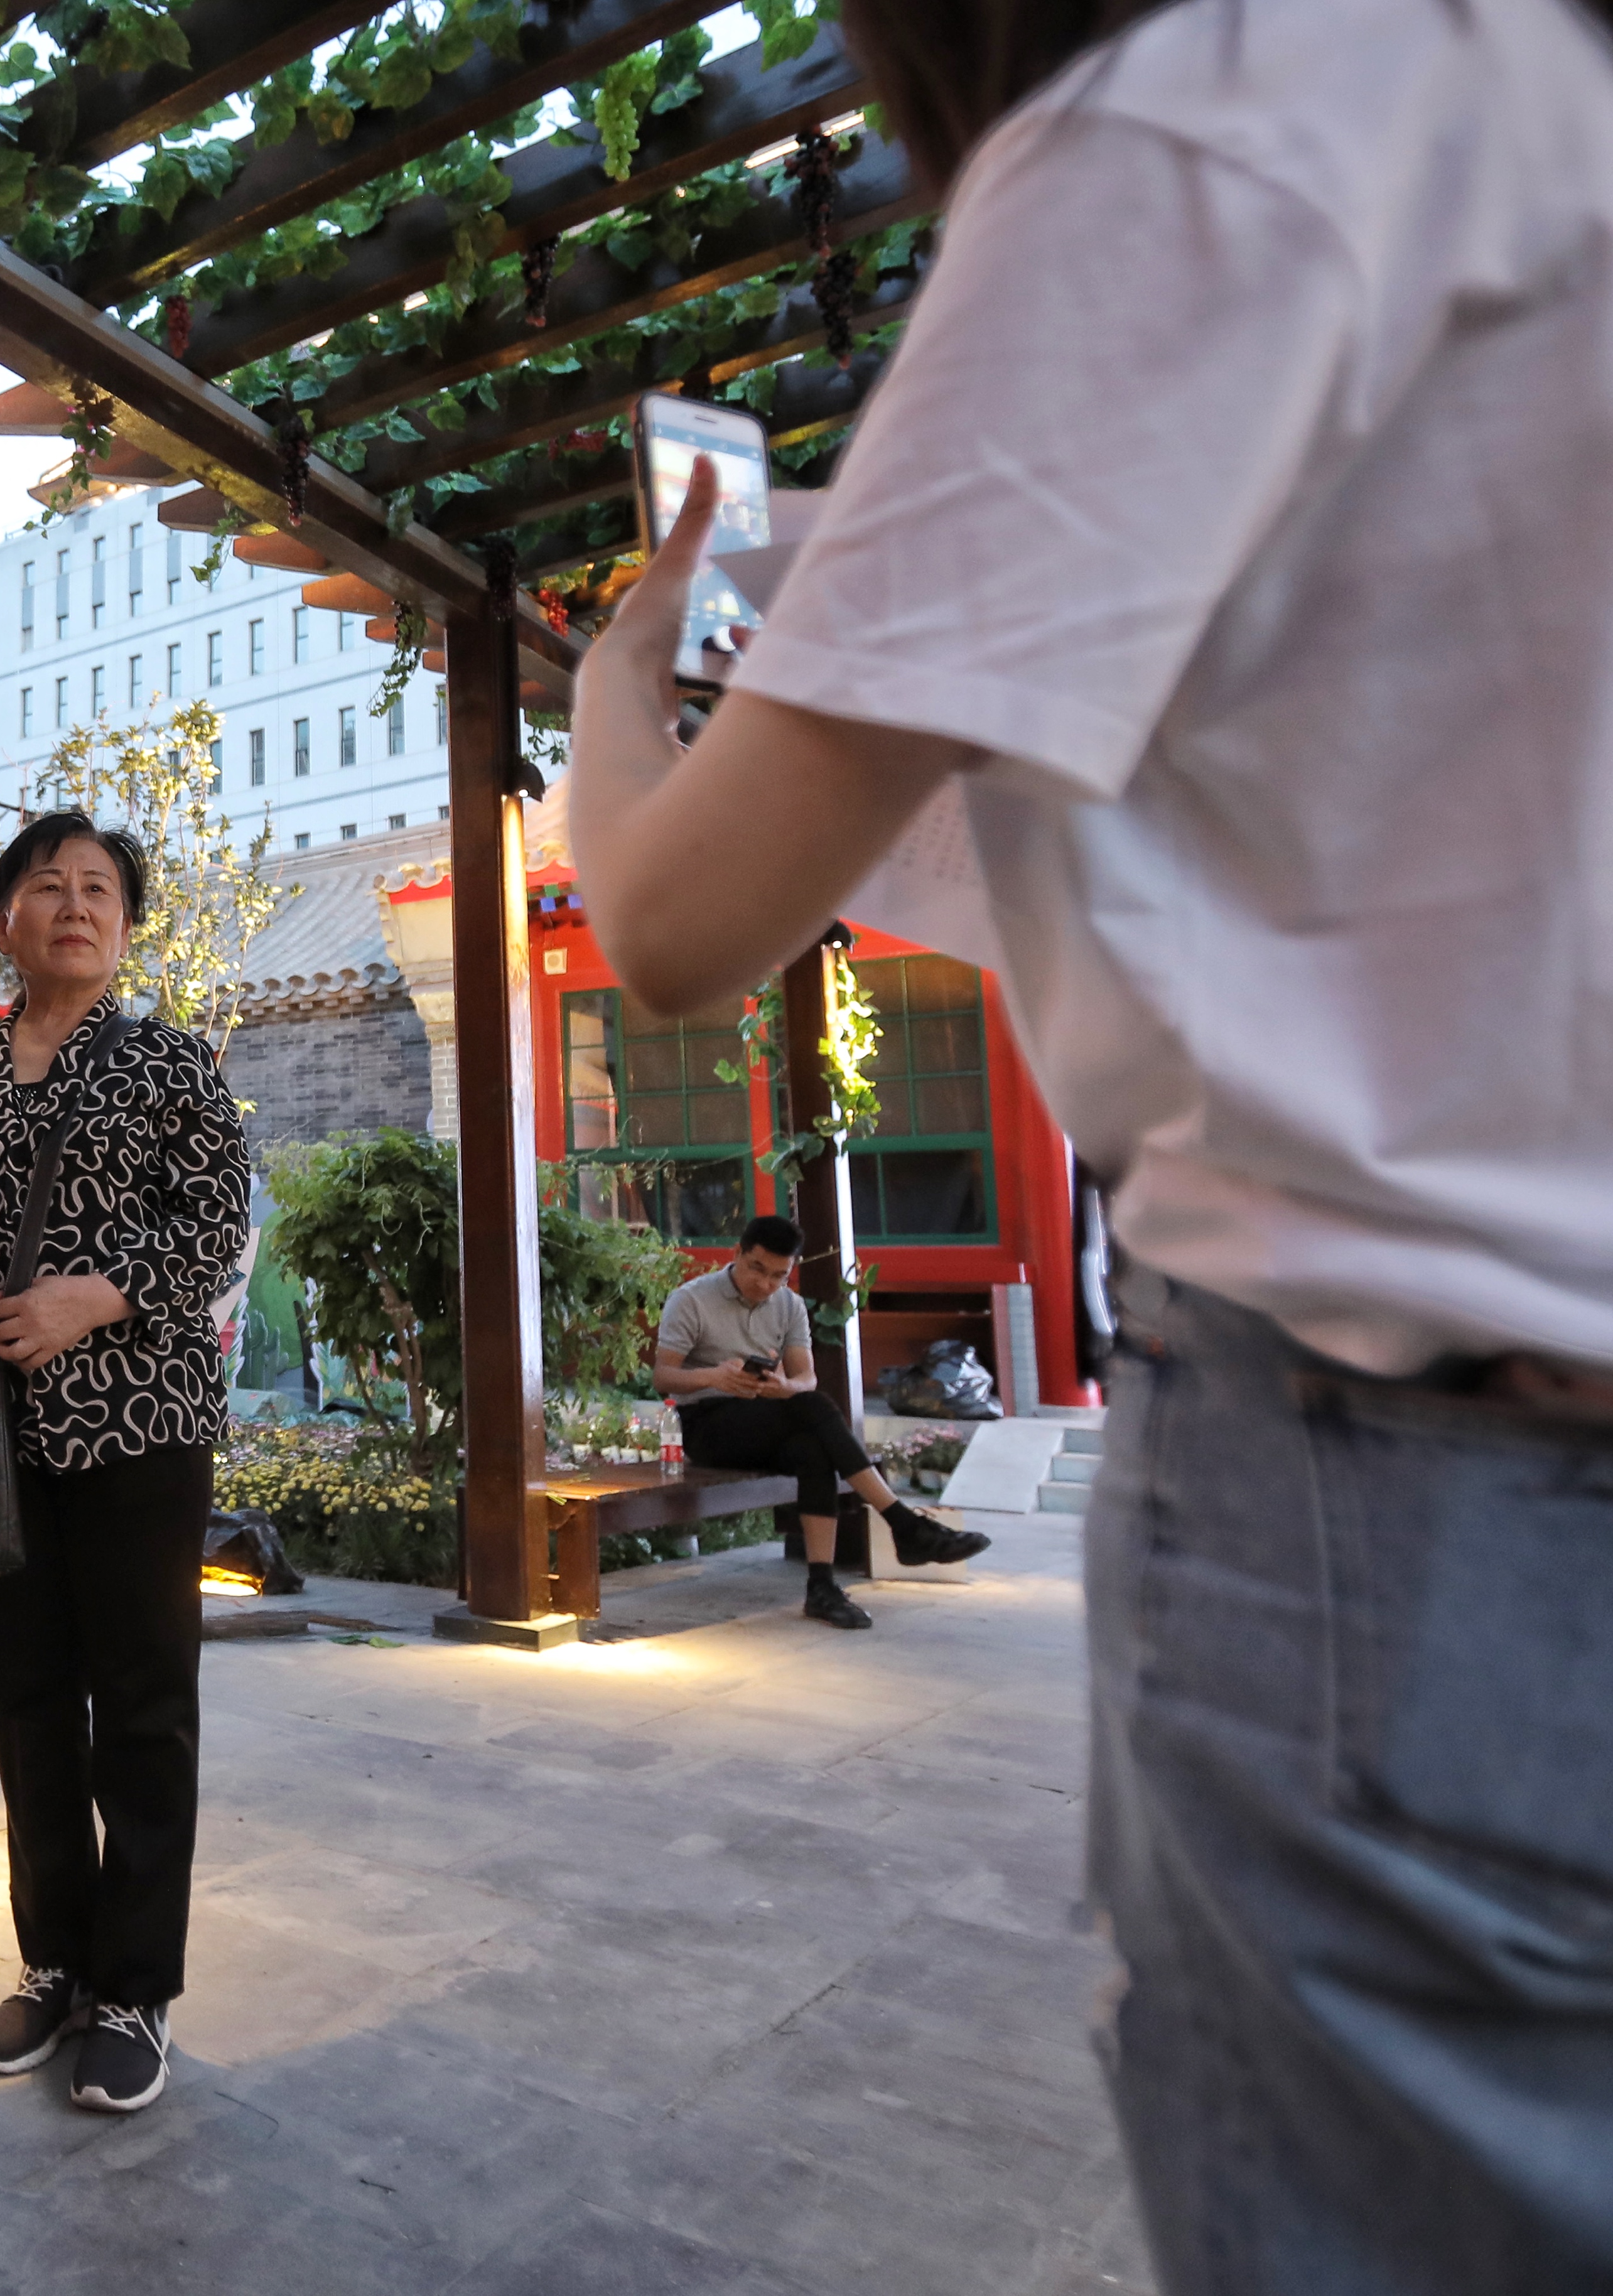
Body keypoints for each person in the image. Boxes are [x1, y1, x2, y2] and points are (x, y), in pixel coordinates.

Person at [566, 0, 1613, 2284]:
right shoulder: (1535, 100)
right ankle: (865, 1524)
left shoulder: (1204, 109)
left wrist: (619, 669)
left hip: (1404, 1505)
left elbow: (669, 917)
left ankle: (858, 1528)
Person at [0, 812, 249, 2116]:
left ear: (125, 923)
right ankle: (52, 1963)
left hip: (141, 1421)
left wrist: (88, 1298)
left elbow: (214, 1228)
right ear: (3, 917)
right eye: (45, 884)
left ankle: (133, 1990)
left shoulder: (169, 1060)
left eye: (98, 887)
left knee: (144, 1709)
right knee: (28, 1701)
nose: (73, 903)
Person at [652, 1215, 991, 1631]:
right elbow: (663, 1377)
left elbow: (806, 1378)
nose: (766, 1284)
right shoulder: (691, 1299)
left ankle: (822, 1586)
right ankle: (904, 1525)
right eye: (757, 1269)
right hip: (706, 1425)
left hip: (766, 1414)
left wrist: (784, 1387)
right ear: (737, 1254)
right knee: (813, 1408)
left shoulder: (789, 1305)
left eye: (779, 1275)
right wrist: (714, 1377)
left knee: (813, 1449)